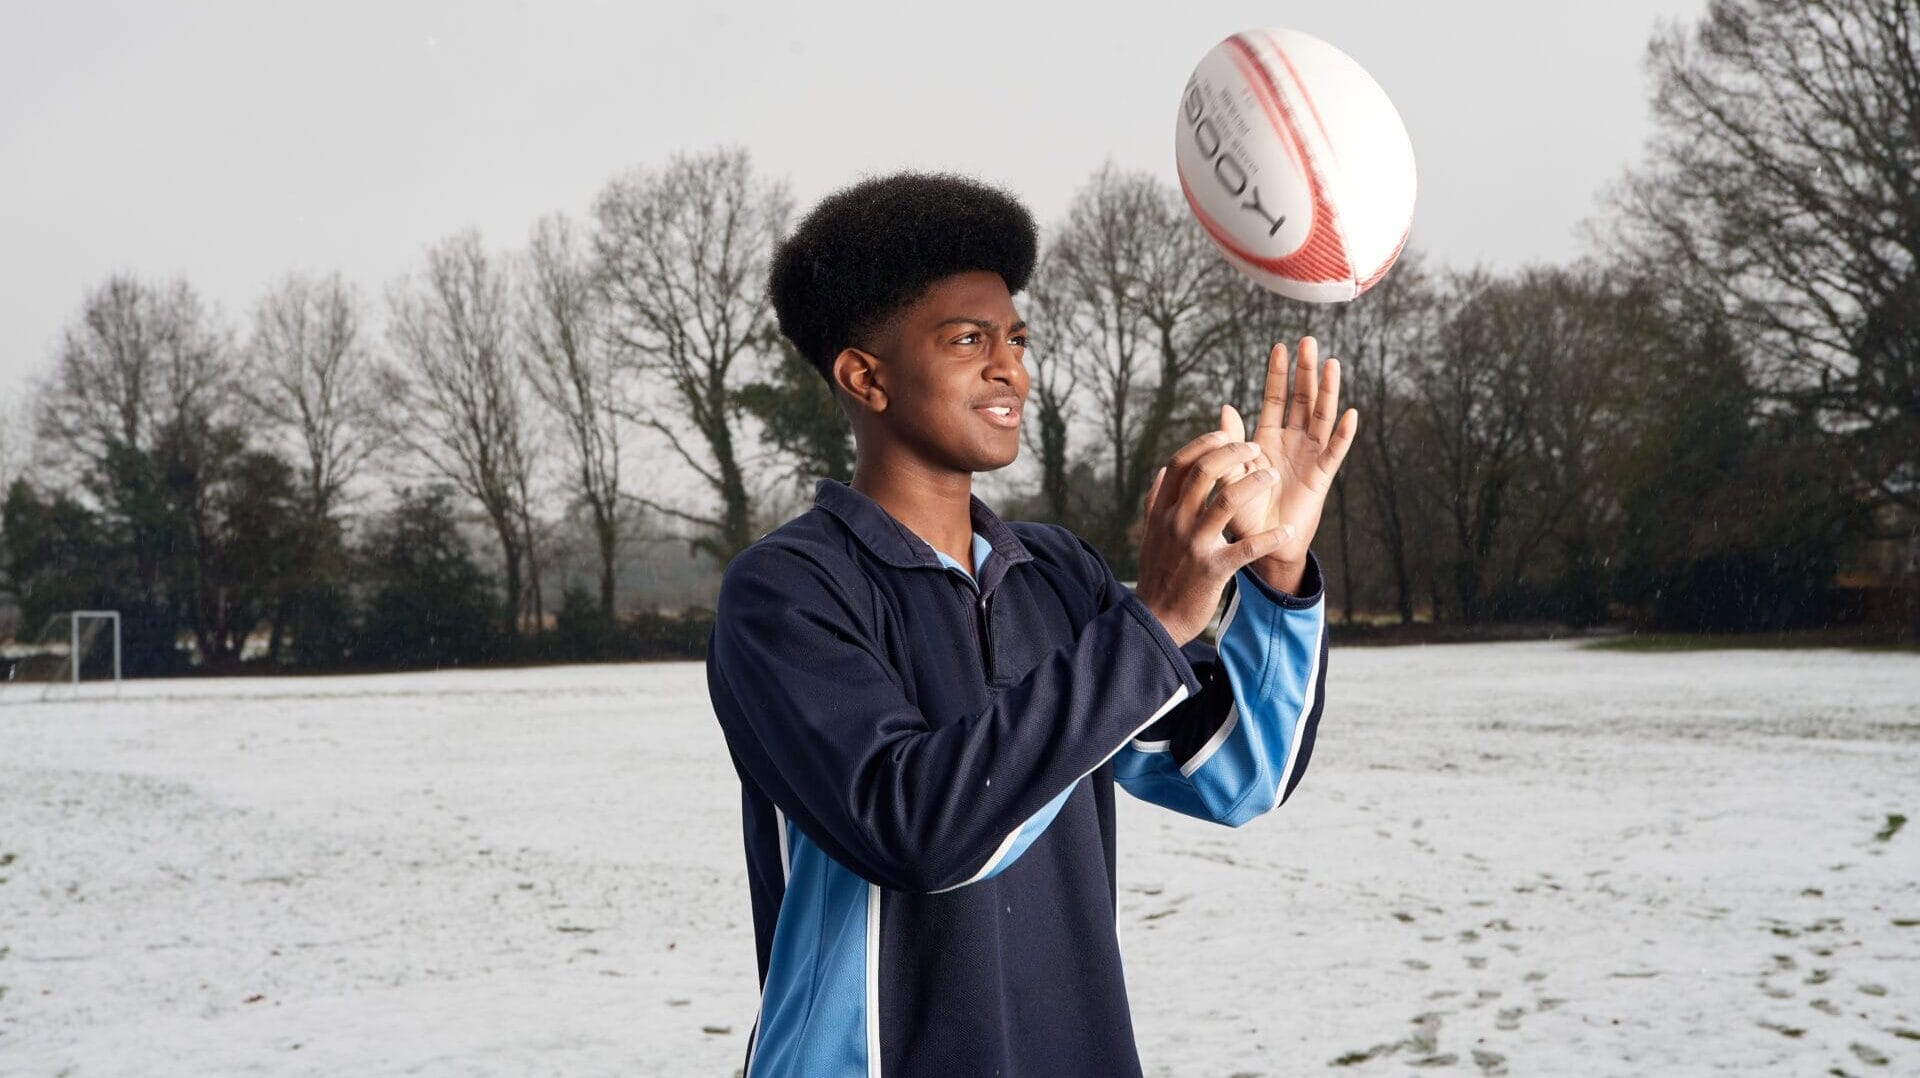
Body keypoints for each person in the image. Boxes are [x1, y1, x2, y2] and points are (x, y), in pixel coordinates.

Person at [704, 172, 1357, 1077]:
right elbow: (918, 830)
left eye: (1015, 337)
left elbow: (1235, 775)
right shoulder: (784, 592)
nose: (1009, 364)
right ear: (865, 376)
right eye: (967, 339)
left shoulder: (1056, 575)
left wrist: (1277, 566)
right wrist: (1157, 618)